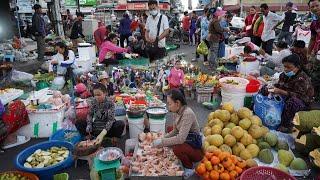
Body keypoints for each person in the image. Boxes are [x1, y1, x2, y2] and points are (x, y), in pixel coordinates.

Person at [152, 89, 203, 179]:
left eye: (169, 103)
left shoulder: (187, 113)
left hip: (195, 147)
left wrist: (162, 141)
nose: (168, 106)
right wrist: (163, 138)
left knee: (177, 148)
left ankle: (189, 168)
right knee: (169, 130)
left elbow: (180, 139)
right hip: (187, 140)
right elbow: (175, 131)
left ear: (177, 103)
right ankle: (184, 159)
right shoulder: (176, 112)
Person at [271, 54, 314, 133]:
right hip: (287, 97)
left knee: (293, 102)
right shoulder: (283, 75)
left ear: (297, 67)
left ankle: (286, 125)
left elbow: (299, 96)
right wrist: (271, 87)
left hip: (302, 103)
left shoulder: (302, 79)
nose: (286, 69)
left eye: (289, 67)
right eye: (285, 66)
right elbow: (280, 85)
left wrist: (280, 91)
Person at [308, 0, 320, 102]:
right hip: (317, 53)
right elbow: (312, 38)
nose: (315, 8)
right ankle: (316, 98)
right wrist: (309, 53)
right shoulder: (314, 23)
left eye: (317, 5)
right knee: (315, 77)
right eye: (312, 7)